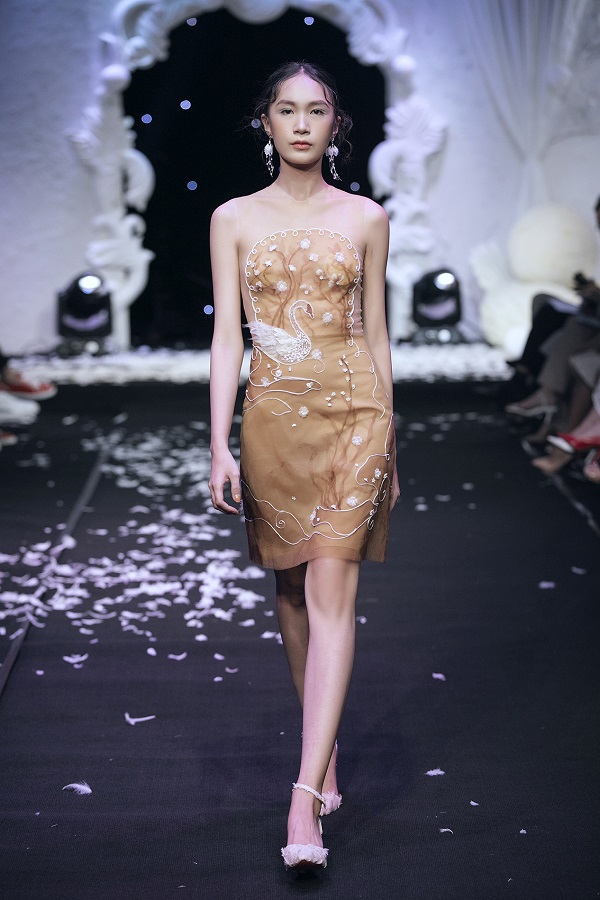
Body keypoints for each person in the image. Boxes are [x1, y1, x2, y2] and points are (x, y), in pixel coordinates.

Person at [208, 61, 399, 873]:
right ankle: (324, 760)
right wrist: (217, 442)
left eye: (315, 110)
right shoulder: (232, 218)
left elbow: (377, 332)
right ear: (266, 123)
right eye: (286, 110)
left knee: (330, 593)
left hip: (357, 418)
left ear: (334, 124)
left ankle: (304, 797)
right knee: (290, 590)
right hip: (274, 423)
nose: (300, 124)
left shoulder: (366, 218)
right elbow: (228, 336)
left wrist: (394, 442)